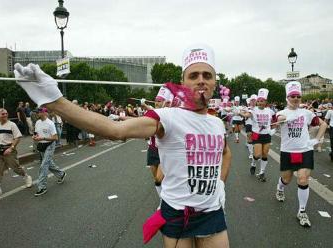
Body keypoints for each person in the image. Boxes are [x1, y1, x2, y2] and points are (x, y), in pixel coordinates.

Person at [14, 44, 231, 248]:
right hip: (177, 214)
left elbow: (225, 154)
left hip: (212, 213)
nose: (201, 80)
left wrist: (220, 184)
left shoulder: (217, 123)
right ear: (183, 83)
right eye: (194, 75)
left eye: (207, 75)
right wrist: (55, 102)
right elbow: (115, 130)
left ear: (214, 83)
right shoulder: (168, 118)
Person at [275, 81, 327, 227]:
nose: (296, 98)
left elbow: (323, 124)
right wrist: (284, 119)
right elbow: (277, 120)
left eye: (298, 96)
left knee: (303, 179)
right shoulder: (281, 113)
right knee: (287, 179)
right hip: (288, 152)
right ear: (287, 97)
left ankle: (302, 211)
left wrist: (316, 140)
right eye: (293, 96)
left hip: (305, 150)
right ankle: (280, 188)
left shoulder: (307, 113)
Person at [0, 108, 32, 199]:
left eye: (6, 113)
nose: (5, 115)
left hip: (9, 150)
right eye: (2, 114)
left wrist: (11, 148)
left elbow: (17, 137)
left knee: (16, 168)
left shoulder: (12, 125)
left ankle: (26, 177)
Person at [241, 89, 275, 181]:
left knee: (264, 154)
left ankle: (262, 172)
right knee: (257, 154)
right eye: (258, 101)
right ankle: (253, 163)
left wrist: (274, 128)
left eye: (262, 101)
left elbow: (275, 120)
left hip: (267, 135)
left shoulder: (269, 111)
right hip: (257, 135)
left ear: (265, 102)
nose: (260, 103)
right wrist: (242, 113)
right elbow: (247, 114)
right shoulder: (254, 110)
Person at [33, 107, 66, 196]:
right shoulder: (37, 122)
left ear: (44, 113)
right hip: (41, 145)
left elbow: (55, 137)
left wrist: (43, 138)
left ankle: (42, 186)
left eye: (38, 112)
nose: (37, 114)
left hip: (50, 145)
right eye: (37, 112)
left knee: (44, 165)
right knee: (48, 163)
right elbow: (36, 133)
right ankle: (61, 174)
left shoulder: (50, 123)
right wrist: (35, 137)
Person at [244, 94, 257, 159]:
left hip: (257, 126)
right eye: (252, 100)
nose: (253, 102)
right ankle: (251, 153)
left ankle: (256, 151)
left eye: (254, 100)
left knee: (255, 139)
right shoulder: (247, 108)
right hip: (249, 124)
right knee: (249, 136)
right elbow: (245, 116)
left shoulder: (259, 109)